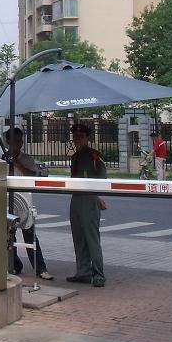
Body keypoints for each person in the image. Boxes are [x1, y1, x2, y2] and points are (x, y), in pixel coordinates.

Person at [4, 127, 54, 281]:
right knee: (8, 237)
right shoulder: (1, 159)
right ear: (7, 142)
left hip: (24, 204)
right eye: (15, 141)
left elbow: (33, 176)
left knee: (30, 236)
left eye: (20, 141)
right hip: (7, 203)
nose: (18, 144)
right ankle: (14, 265)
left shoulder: (27, 159)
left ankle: (40, 268)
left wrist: (17, 163)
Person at [67, 123, 107, 288]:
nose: (77, 139)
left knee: (91, 238)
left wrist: (99, 197)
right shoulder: (74, 157)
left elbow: (103, 178)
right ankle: (83, 272)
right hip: (76, 198)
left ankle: (98, 275)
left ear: (87, 138)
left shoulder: (94, 156)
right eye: (75, 136)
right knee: (78, 237)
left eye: (80, 136)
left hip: (90, 198)